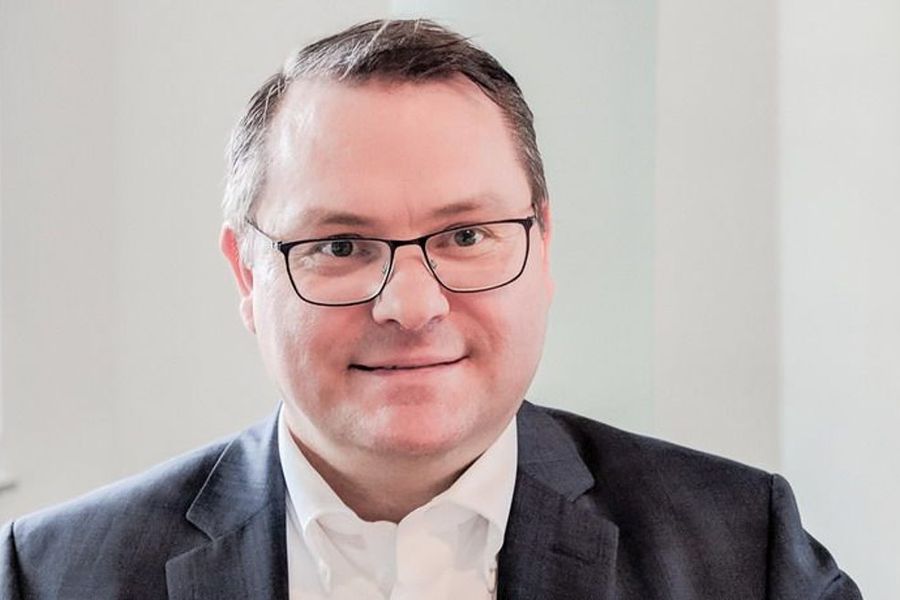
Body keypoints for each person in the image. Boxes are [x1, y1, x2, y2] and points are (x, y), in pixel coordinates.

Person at [1, 18, 861, 600]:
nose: (411, 307)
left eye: (466, 236)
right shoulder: (55, 576)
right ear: (247, 275)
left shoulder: (739, 549)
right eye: (341, 245)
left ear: (542, 245)